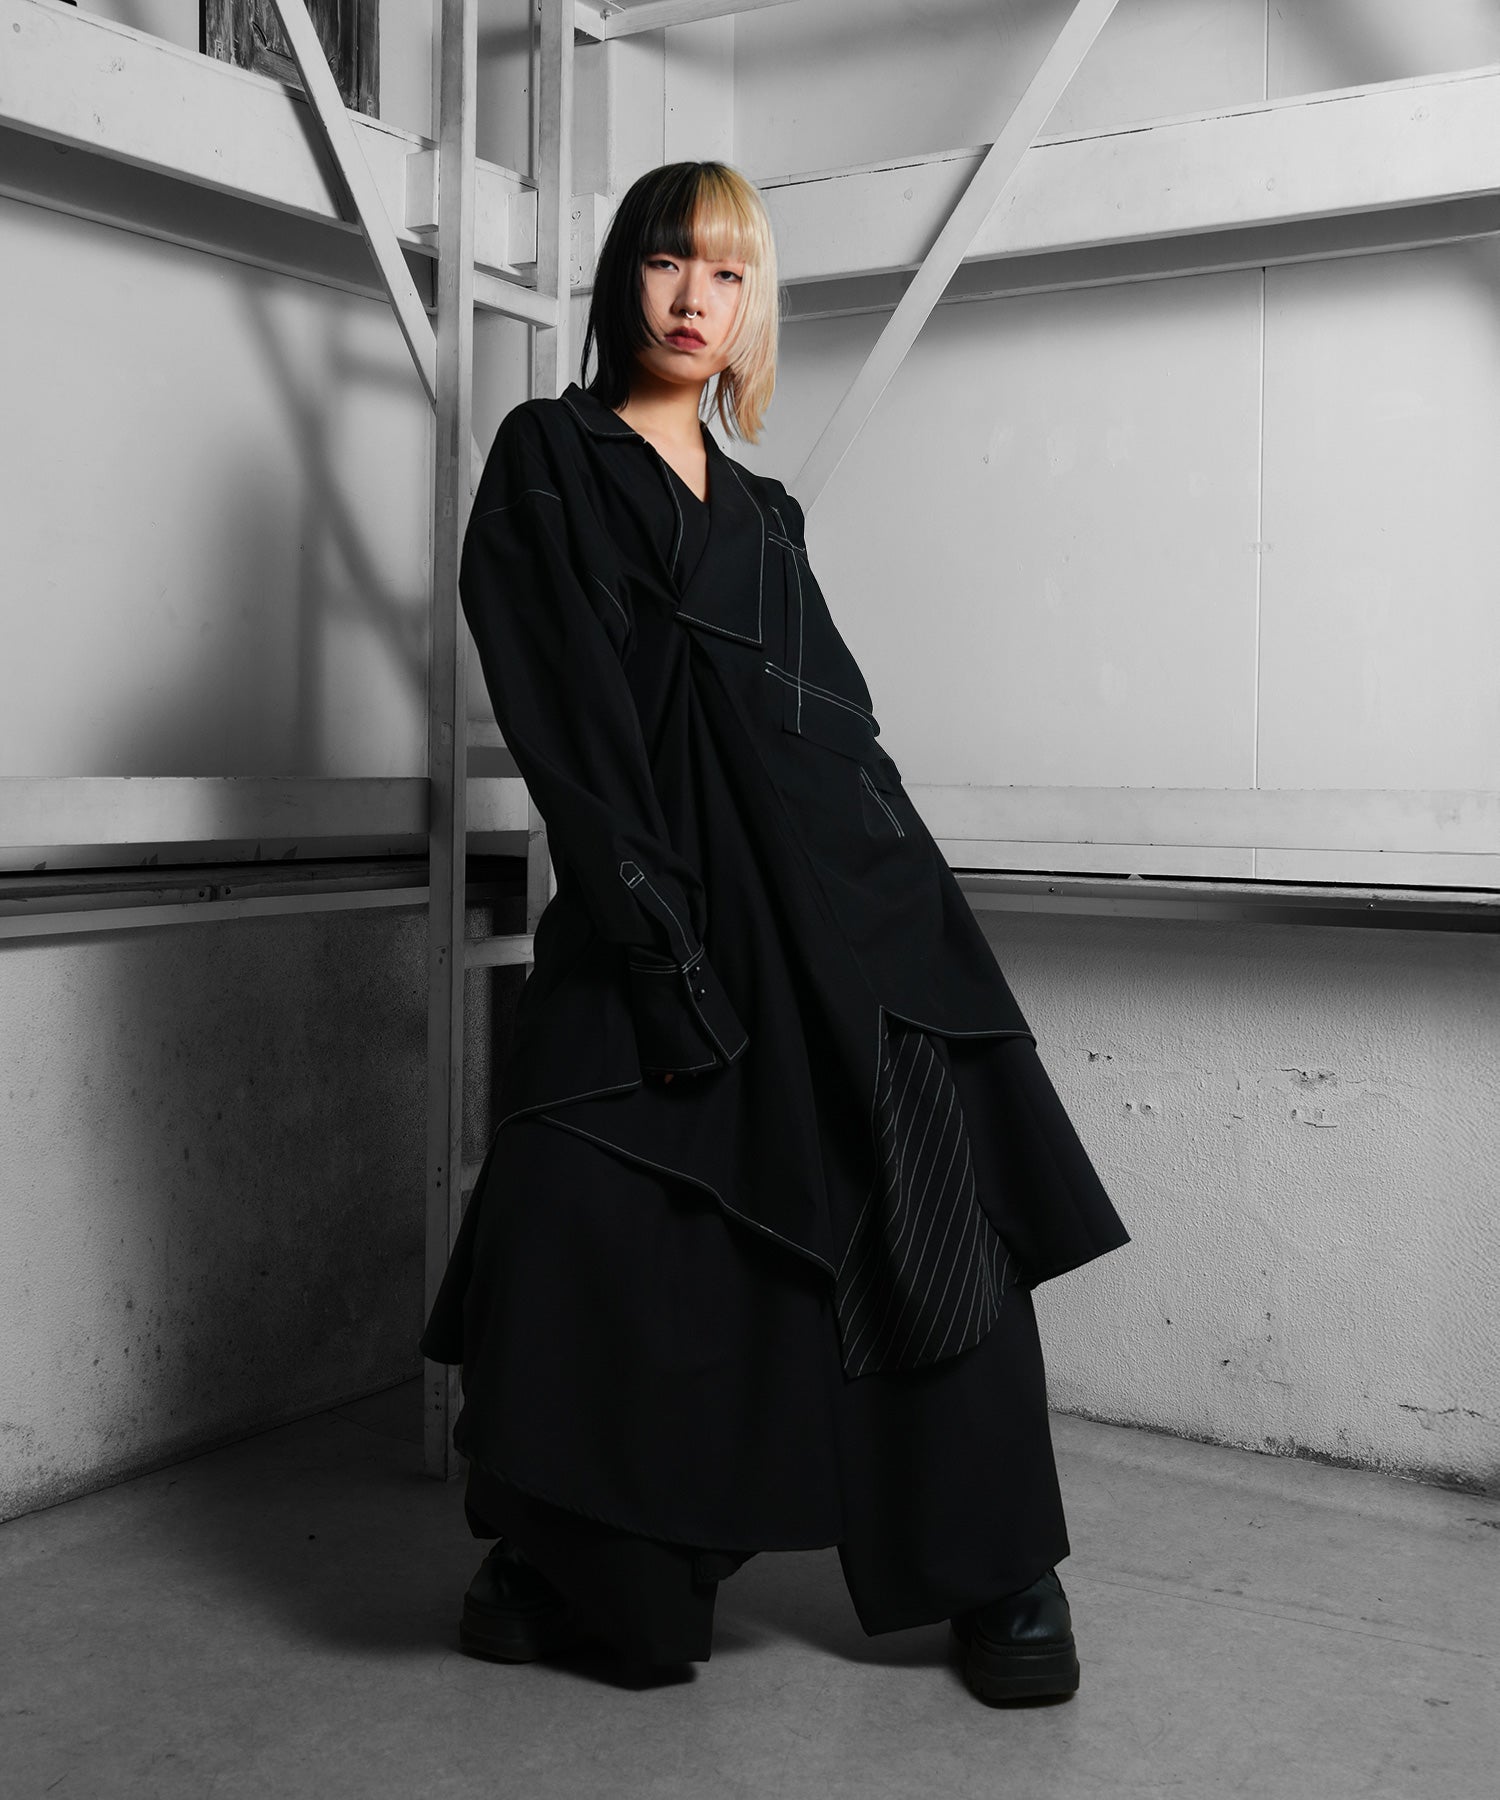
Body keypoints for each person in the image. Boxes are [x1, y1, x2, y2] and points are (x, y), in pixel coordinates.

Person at [420, 160, 1130, 1703]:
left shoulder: (766, 509)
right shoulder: (548, 456)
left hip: (848, 893)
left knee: (925, 1193)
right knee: (588, 1192)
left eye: (729, 274)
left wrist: (906, 906)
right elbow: (570, 727)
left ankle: (997, 1564)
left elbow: (839, 721)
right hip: (666, 893)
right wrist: (656, 940)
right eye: (669, 261)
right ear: (624, 276)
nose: (696, 298)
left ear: (753, 309)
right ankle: (568, 1549)